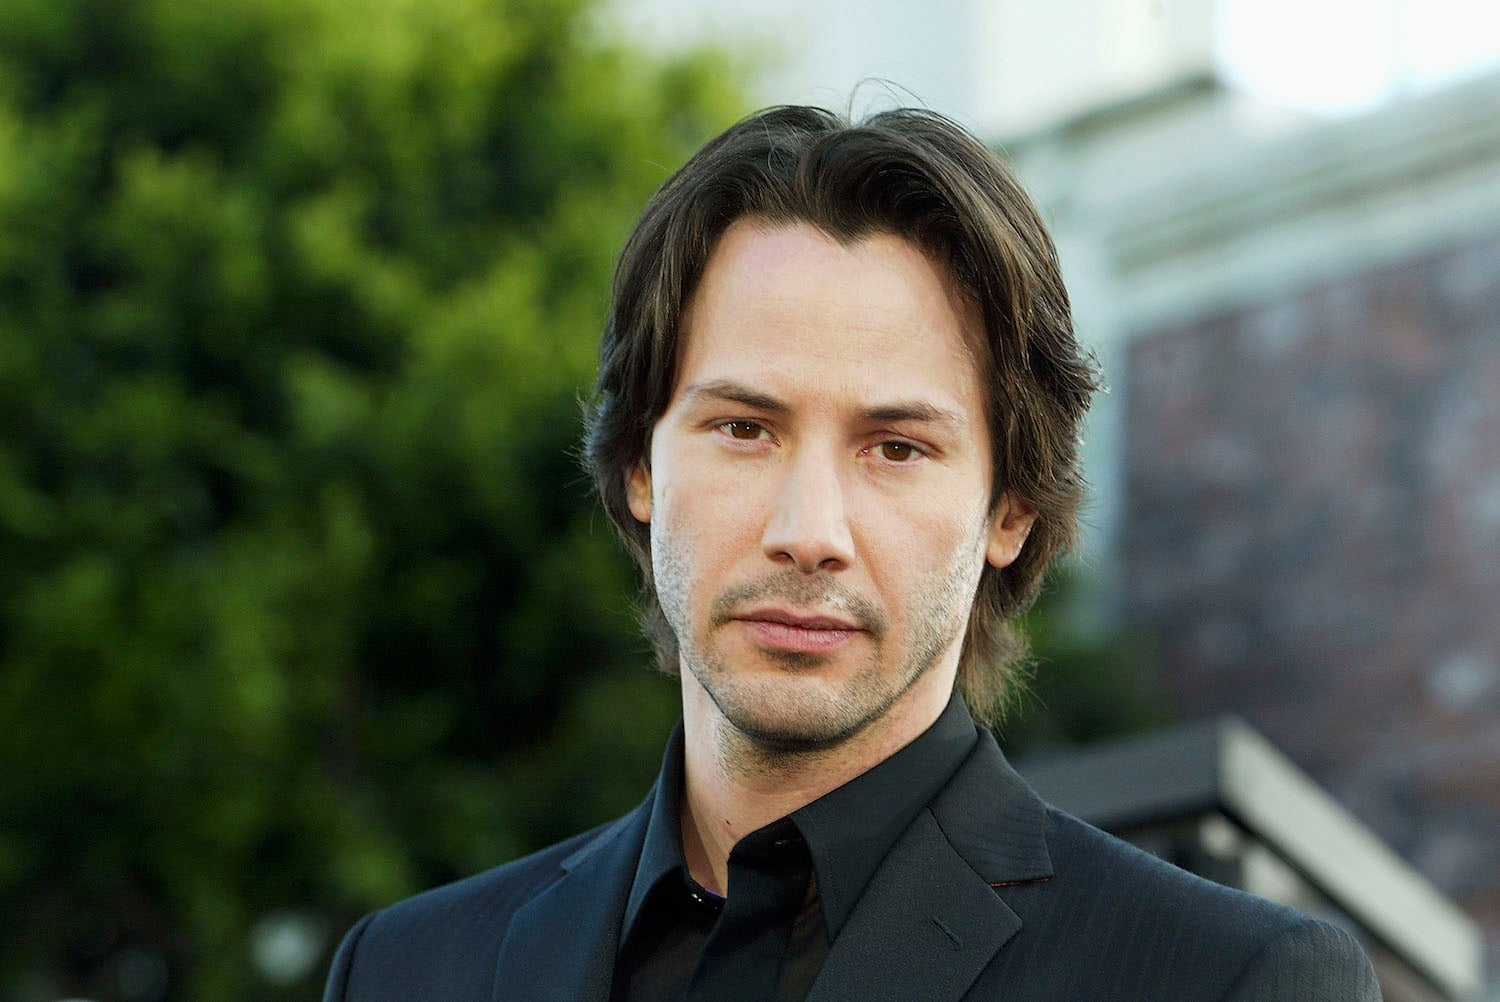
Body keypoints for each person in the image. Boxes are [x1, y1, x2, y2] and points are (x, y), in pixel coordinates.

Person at [322, 106, 1382, 1001]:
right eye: (745, 428)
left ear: (1010, 511)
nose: (809, 532)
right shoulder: (406, 973)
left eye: (895, 448)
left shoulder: (1223, 981)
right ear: (641, 464)